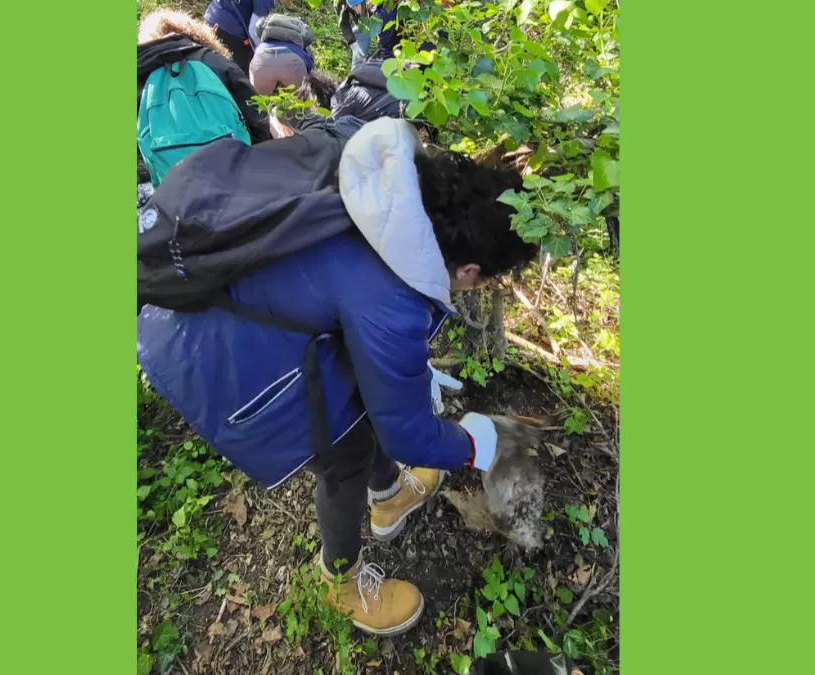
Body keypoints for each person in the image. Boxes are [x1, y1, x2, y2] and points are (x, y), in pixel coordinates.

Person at [137, 118, 537, 635]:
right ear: (468, 271)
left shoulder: (386, 187)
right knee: (342, 454)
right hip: (207, 348)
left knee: (359, 399)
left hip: (228, 305)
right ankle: (340, 583)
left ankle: (390, 494)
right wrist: (476, 447)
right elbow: (406, 430)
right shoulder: (392, 296)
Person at [136, 8, 270, 200]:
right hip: (234, 183)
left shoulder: (139, 77)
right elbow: (258, 115)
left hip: (170, 196)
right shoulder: (214, 62)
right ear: (193, 32)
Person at [204, 0, 301, 72]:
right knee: (242, 69)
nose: (290, 0)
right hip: (225, 25)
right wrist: (264, 54)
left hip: (213, 17)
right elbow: (253, 31)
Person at [248, 13, 318, 97]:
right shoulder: (299, 50)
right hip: (292, 63)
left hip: (261, 62)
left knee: (263, 103)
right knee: (300, 103)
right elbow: (312, 72)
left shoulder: (261, 47)